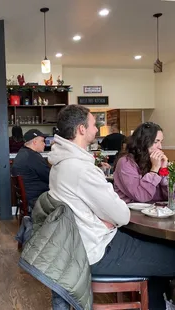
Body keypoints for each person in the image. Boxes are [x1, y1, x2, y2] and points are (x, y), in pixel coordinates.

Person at [46, 105, 175, 309]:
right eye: (93, 125)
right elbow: (122, 215)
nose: (97, 129)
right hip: (97, 251)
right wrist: (106, 217)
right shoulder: (80, 169)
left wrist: (102, 217)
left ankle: (159, 303)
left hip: (84, 245)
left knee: (158, 255)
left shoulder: (61, 163)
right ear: (81, 129)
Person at [114, 122, 168, 203]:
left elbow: (169, 196)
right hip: (131, 212)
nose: (160, 147)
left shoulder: (154, 161)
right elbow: (141, 196)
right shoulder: (125, 162)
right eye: (156, 142)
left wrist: (163, 170)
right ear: (143, 141)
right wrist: (154, 170)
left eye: (161, 142)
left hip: (156, 211)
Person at [12, 129, 50, 208]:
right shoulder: (33, 157)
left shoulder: (22, 153)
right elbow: (49, 177)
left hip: (27, 196)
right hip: (36, 198)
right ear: (35, 142)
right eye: (42, 141)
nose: (45, 144)